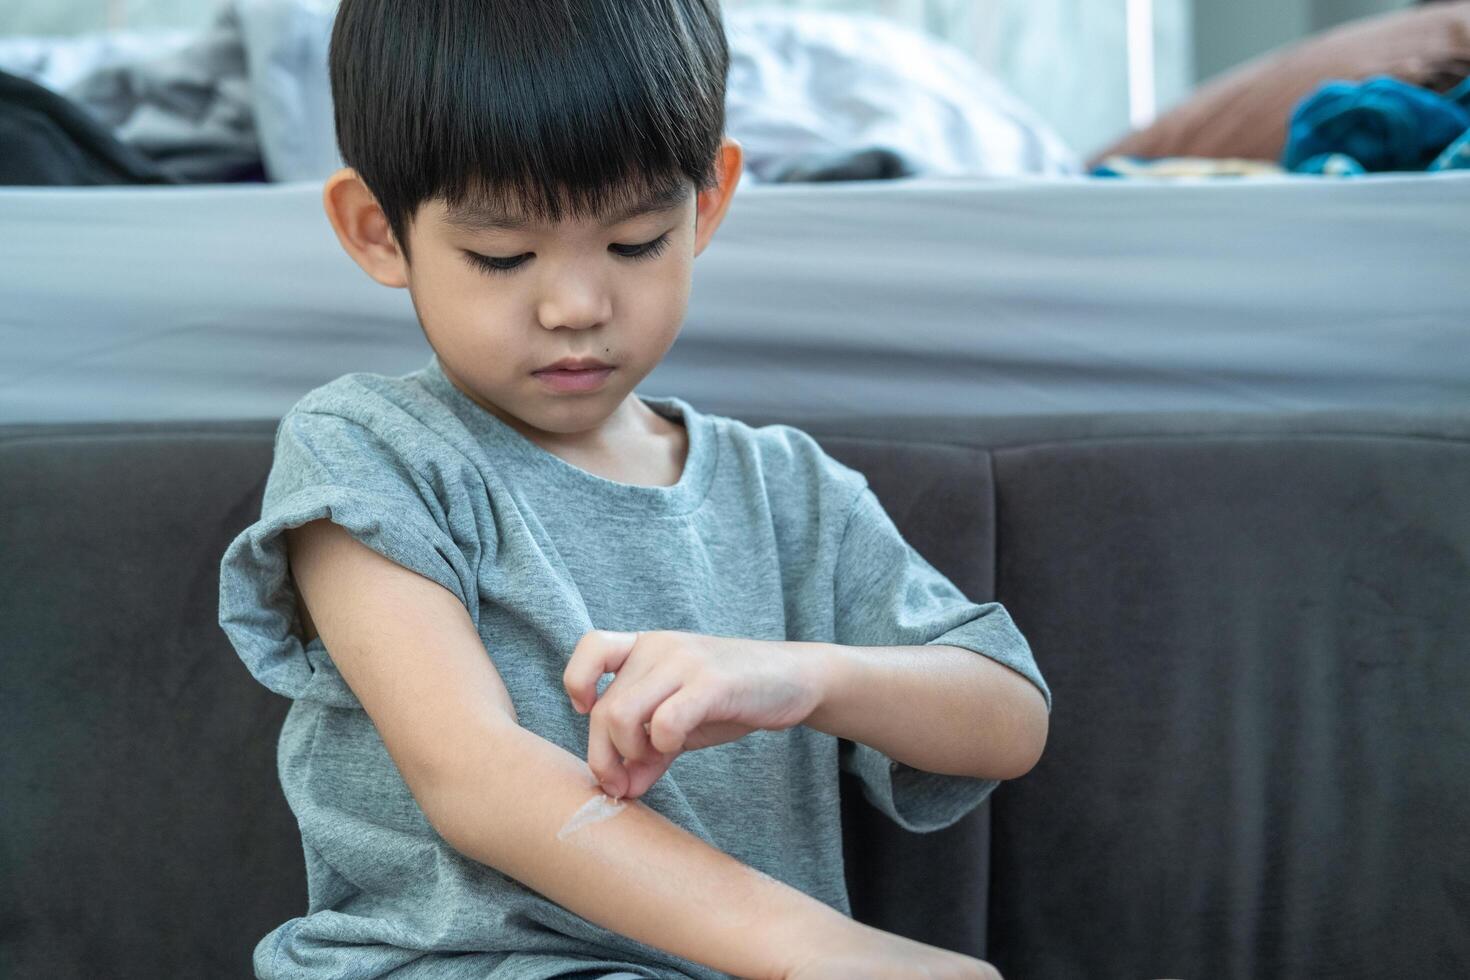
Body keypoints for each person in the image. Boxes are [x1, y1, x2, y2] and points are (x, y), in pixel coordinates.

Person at [216, 2, 1051, 978]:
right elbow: (475, 777)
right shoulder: (370, 446)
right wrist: (824, 951)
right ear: (378, 231)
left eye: (636, 241)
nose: (578, 306)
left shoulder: (785, 489)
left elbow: (1007, 715)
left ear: (707, 203)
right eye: (502, 256)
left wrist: (805, 675)